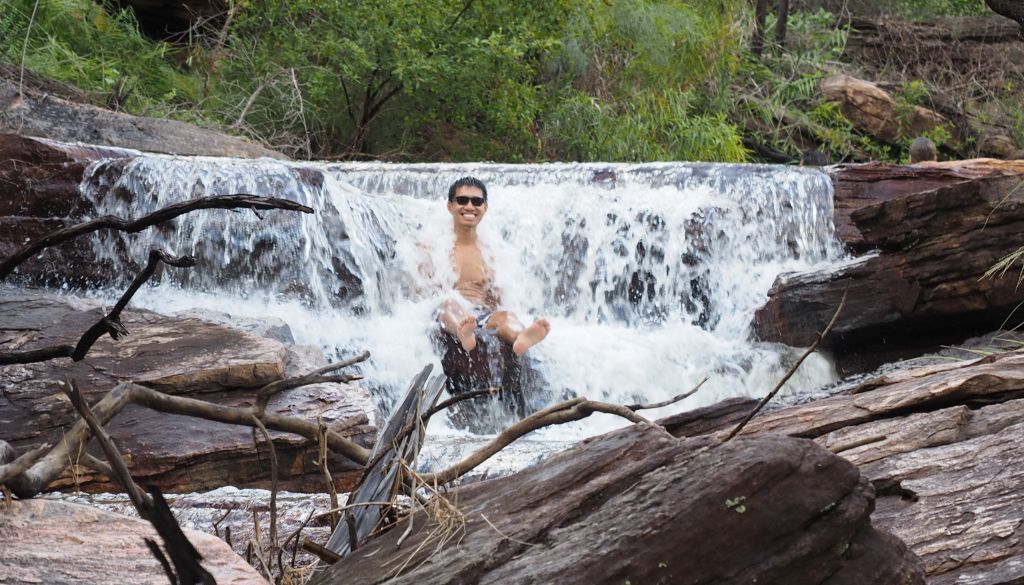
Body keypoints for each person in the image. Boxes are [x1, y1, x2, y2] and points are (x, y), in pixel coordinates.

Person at [434, 176, 550, 356]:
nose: (470, 206)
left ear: (485, 208)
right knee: (448, 305)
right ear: (450, 206)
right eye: (462, 200)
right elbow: (422, 297)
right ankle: (462, 332)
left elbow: (499, 300)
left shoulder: (492, 251)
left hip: (481, 315)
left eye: (477, 201)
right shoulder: (435, 247)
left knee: (507, 316)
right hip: (450, 314)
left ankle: (521, 336)